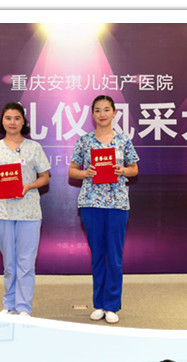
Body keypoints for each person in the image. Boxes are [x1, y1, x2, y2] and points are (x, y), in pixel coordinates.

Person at [68, 95, 139, 324]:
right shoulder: (85, 141)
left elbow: (134, 169)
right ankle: (99, 304)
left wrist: (122, 170)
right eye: (97, 110)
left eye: (106, 109)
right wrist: (85, 173)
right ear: (92, 114)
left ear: (114, 113)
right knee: (98, 255)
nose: (102, 114)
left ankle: (112, 305)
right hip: (91, 203)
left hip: (117, 203)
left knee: (114, 256)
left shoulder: (123, 140)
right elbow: (72, 170)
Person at [0, 102, 51, 316]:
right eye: (8, 118)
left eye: (17, 118)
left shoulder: (34, 147)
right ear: (2, 121)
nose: (13, 122)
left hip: (29, 212)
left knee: (26, 262)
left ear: (23, 121)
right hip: (1, 212)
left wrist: (28, 186)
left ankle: (23, 307)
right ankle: (9, 304)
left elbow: (45, 177)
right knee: (9, 262)